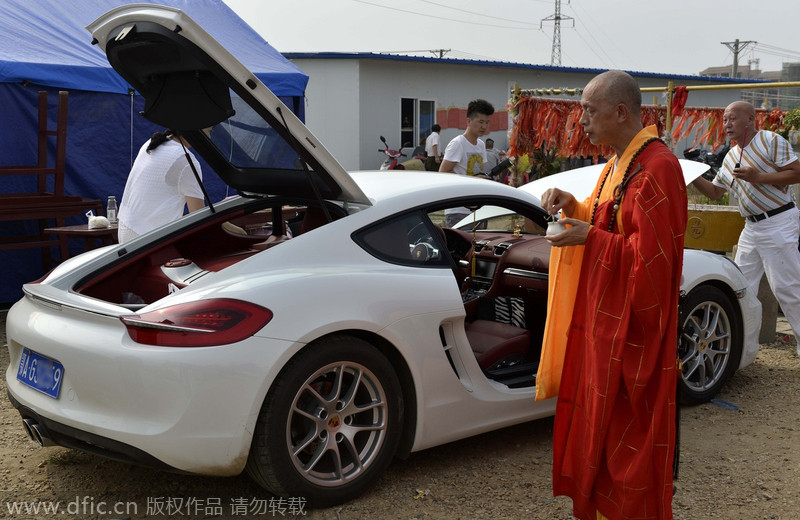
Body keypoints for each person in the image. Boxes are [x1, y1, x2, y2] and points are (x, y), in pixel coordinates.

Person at [536, 70, 687, 520]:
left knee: (630, 439)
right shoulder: (618, 164)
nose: (580, 119)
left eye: (588, 109)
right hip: (605, 323)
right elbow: (612, 224)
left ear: (621, 112)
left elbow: (654, 266)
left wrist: (590, 239)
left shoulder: (658, 167)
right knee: (597, 427)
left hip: (633, 333)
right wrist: (574, 207)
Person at [691, 100, 800, 353]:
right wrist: (692, 173)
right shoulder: (730, 156)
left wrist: (758, 177)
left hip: (778, 221)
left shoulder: (771, 141)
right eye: (725, 119)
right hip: (751, 227)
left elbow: (796, 172)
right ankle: (741, 349)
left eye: (732, 118)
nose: (727, 124)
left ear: (751, 119)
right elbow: (716, 193)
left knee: (787, 287)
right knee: (740, 287)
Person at [117, 129, 206, 244]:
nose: (209, 138)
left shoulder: (152, 142)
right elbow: (199, 217)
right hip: (148, 238)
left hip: (126, 228)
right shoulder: (186, 160)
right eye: (208, 132)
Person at [439, 99, 494, 226]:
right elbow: (443, 173)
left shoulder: (480, 144)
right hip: (458, 210)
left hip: (478, 209)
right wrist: (472, 179)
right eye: (480, 122)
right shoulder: (458, 143)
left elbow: (479, 172)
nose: (484, 126)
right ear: (468, 121)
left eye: (487, 122)